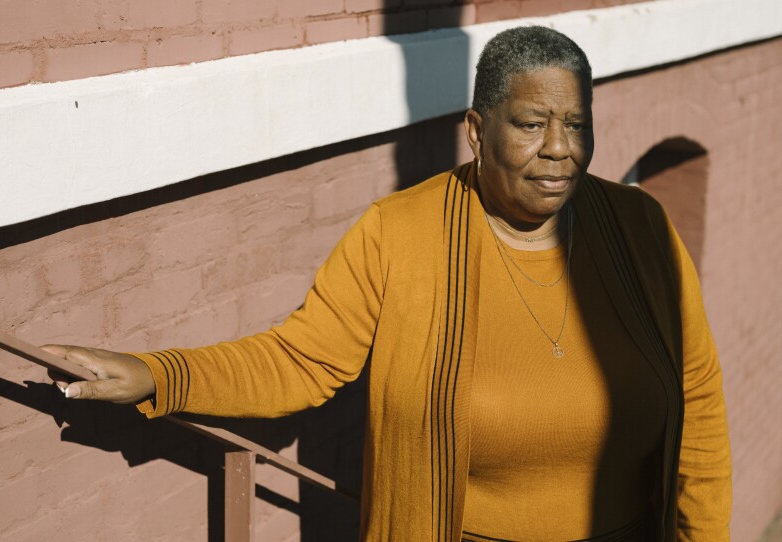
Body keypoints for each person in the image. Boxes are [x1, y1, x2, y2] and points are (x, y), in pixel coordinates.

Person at [43, 26, 731, 541]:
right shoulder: (399, 233)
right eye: (530, 124)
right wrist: (161, 374)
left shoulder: (640, 228)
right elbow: (302, 359)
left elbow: (697, 401)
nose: (560, 148)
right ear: (476, 131)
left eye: (577, 124)